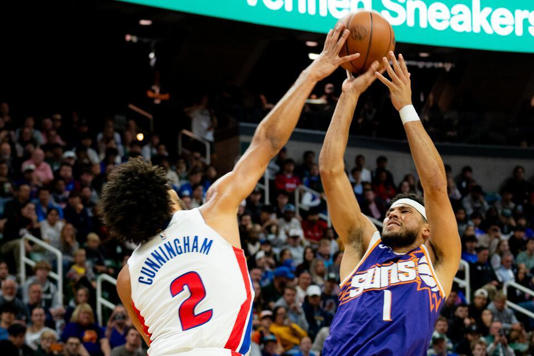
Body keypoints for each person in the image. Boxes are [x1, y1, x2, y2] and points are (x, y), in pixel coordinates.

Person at [102, 24, 359, 356]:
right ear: (166, 196)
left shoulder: (126, 279)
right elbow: (267, 141)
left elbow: (156, 337)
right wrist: (314, 72)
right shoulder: (214, 211)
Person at [319, 52, 461, 355]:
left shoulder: (436, 259)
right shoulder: (362, 246)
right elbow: (330, 172)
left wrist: (405, 108)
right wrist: (349, 95)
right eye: (391, 211)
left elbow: (435, 187)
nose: (393, 214)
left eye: (405, 211)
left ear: (426, 230)